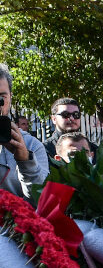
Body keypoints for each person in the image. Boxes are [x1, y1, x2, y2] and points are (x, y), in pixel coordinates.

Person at [0, 65, 49, 200]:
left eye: (2, 97)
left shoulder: (30, 144)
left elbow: (40, 201)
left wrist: (25, 161)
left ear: (10, 97)